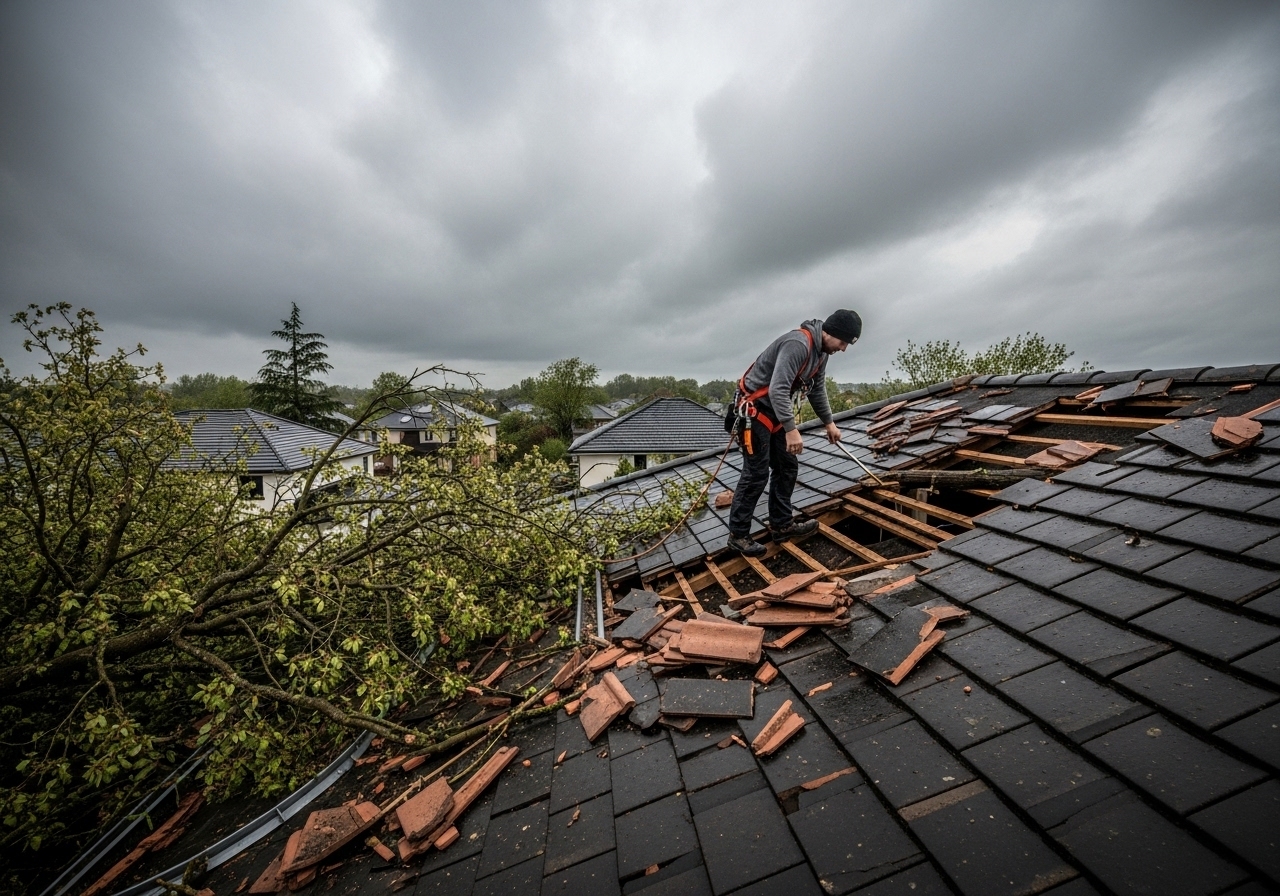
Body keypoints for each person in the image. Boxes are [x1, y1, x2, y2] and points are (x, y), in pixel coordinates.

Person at [725, 310, 862, 557]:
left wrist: (829, 423)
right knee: (756, 473)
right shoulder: (797, 344)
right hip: (754, 412)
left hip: (774, 414)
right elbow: (778, 388)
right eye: (842, 343)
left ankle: (782, 525)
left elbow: (816, 390)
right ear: (831, 333)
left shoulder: (821, 353)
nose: (843, 349)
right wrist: (791, 429)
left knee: (787, 466)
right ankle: (738, 535)